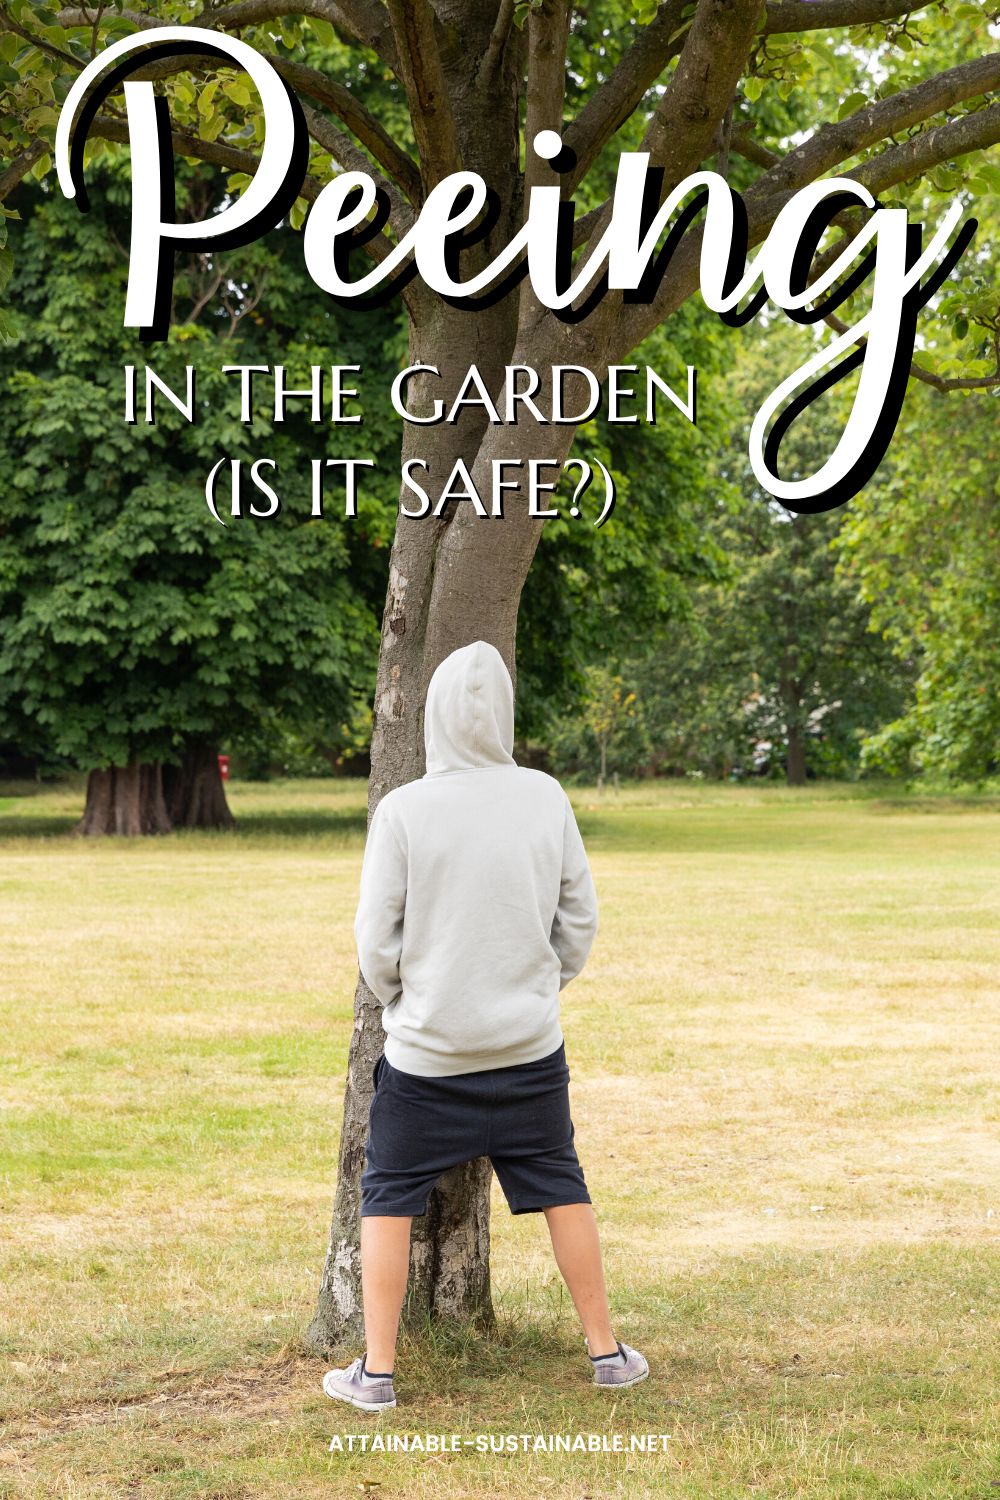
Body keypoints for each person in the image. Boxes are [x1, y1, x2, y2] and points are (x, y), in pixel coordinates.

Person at [323, 640, 648, 1412]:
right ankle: (606, 1352)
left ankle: (376, 1373)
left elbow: (376, 941)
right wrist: (537, 987)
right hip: (530, 1051)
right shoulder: (545, 796)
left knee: (387, 1197)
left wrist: (411, 1000)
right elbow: (579, 921)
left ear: (432, 715)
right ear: (504, 713)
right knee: (563, 1185)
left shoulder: (403, 810)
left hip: (427, 1061)